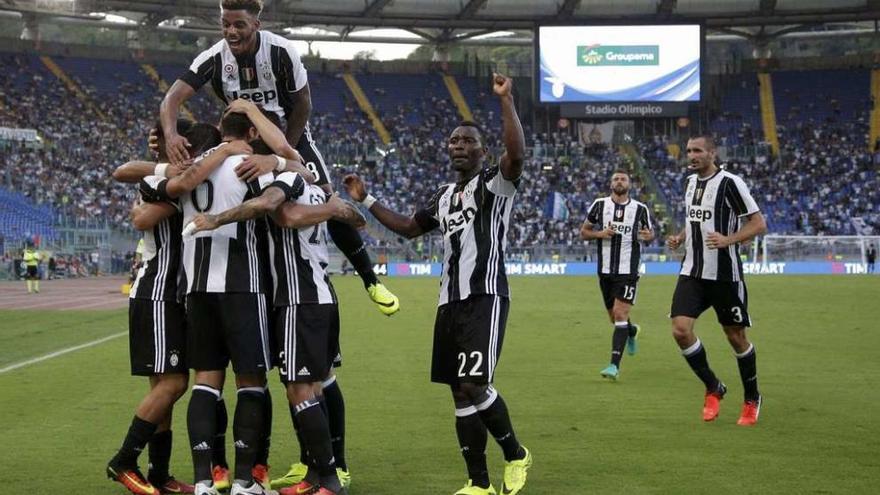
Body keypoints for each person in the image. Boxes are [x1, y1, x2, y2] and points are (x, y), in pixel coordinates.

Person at [342, 73, 532, 495]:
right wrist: (367, 199)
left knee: (475, 384)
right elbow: (409, 228)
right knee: (459, 395)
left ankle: (517, 455)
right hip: (449, 302)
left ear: (483, 151)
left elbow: (516, 155)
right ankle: (478, 483)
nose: (459, 146)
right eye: (453, 141)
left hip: (485, 295)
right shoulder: (445, 196)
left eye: (467, 141)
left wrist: (506, 100)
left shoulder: (496, 185)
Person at [158, 0, 399, 317]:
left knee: (324, 195)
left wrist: (286, 153)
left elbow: (302, 106)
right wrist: (171, 134)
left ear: (255, 24)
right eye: (225, 24)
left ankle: (370, 279)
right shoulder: (213, 58)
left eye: (239, 25)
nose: (231, 31)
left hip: (289, 133)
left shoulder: (282, 51)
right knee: (200, 176)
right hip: (244, 137)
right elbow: (172, 98)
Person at [185, 160, 365, 495]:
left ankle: (328, 479)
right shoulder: (319, 192)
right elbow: (358, 220)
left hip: (301, 298)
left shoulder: (291, 180)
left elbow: (280, 213)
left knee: (300, 391)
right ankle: (315, 477)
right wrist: (339, 207)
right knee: (311, 388)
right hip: (316, 296)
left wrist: (215, 218)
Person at [105, 119, 221, 495]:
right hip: (157, 292)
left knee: (165, 388)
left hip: (173, 296)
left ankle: (160, 475)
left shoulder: (182, 181)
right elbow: (141, 216)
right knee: (173, 383)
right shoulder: (173, 183)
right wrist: (173, 180)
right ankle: (124, 460)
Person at [666, 135, 768, 426]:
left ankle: (752, 398)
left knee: (736, 337)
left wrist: (728, 239)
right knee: (680, 330)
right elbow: (694, 219)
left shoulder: (731, 182)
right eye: (688, 151)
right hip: (692, 272)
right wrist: (681, 237)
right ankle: (713, 386)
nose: (691, 155)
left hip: (724, 276)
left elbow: (758, 223)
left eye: (697, 150)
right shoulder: (689, 183)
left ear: (712, 153)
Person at [580, 170, 653, 380]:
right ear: (611, 184)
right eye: (616, 179)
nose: (619, 181)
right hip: (605, 272)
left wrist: (649, 236)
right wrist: (599, 234)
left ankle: (614, 366)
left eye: (623, 179)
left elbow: (649, 234)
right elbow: (584, 232)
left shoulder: (640, 209)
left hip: (628, 271)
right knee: (614, 318)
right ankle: (631, 331)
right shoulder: (599, 205)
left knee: (620, 314)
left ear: (629, 184)